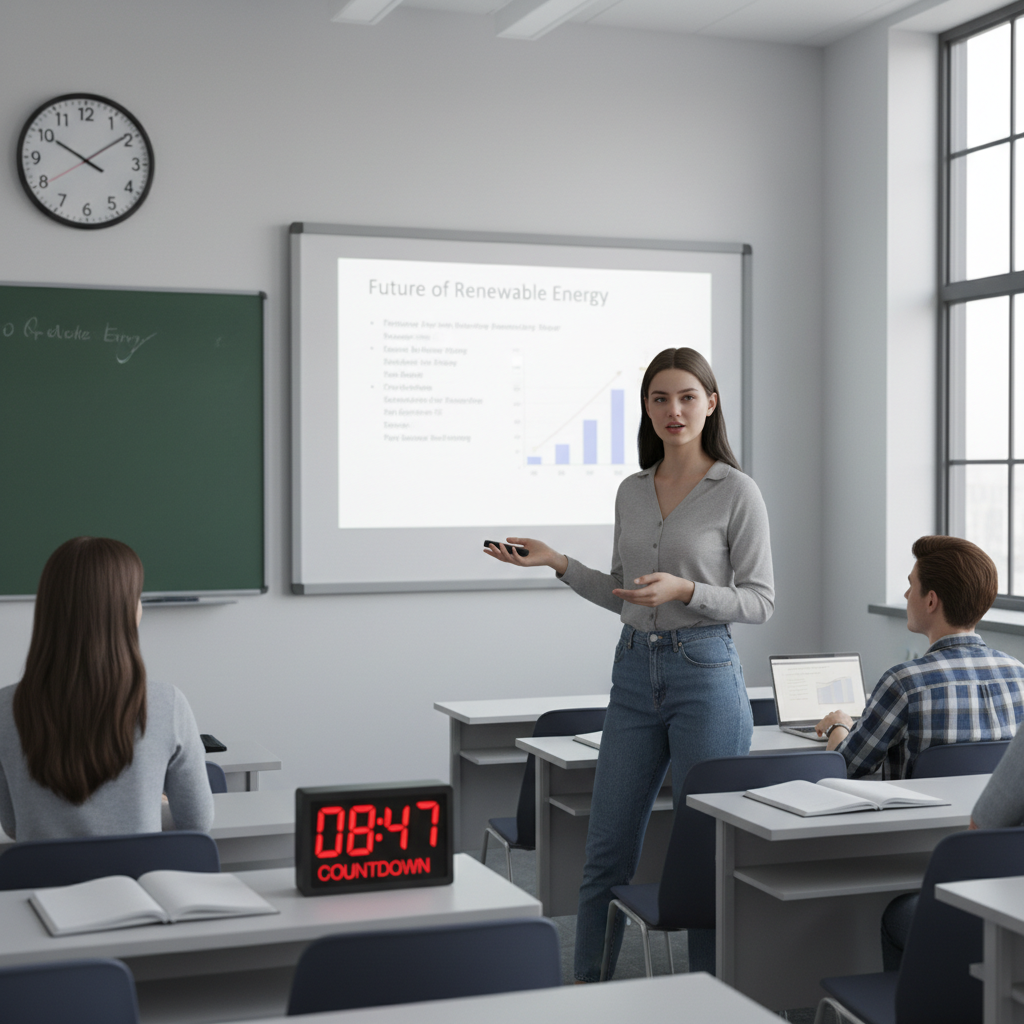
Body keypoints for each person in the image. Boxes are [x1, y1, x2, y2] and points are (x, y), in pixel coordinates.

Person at [484, 347, 774, 981]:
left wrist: (685, 591)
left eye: (687, 397)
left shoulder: (736, 490)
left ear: (711, 403)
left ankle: (708, 1003)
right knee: (605, 854)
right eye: (660, 398)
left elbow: (760, 601)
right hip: (634, 675)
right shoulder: (632, 491)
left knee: (705, 858)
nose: (674, 410)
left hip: (706, 675)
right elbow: (621, 591)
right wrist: (558, 563)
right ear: (646, 407)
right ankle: (586, 994)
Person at [0, 537, 214, 841]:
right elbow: (198, 822)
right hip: (137, 885)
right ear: (126, 612)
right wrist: (143, 806)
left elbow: (13, 826)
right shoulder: (167, 704)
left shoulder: (4, 709)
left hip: (44, 887)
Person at [814, 536, 1024, 781]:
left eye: (911, 585)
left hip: (917, 820)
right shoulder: (1019, 674)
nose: (905, 594)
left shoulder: (903, 683)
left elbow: (843, 768)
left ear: (931, 600)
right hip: (992, 820)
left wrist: (839, 725)